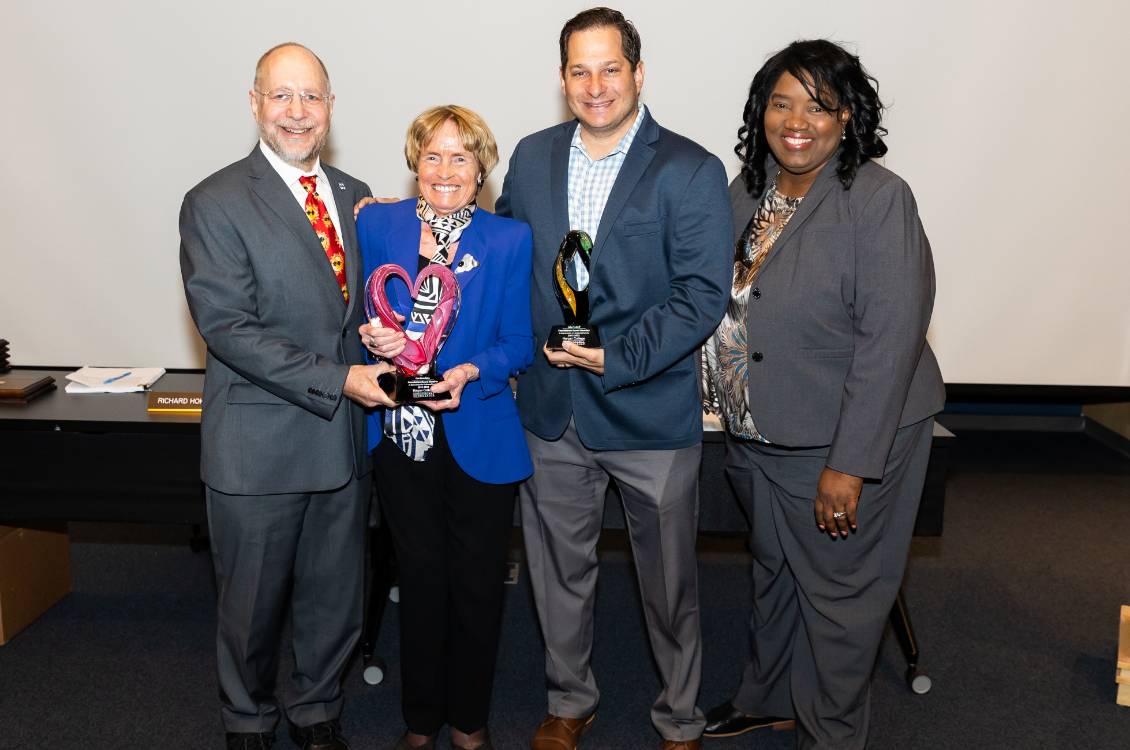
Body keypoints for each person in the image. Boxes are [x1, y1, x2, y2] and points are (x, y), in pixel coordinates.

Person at [494, 8, 732, 750]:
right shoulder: (532, 157)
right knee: (557, 574)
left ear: (637, 71)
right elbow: (500, 251)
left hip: (648, 413)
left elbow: (700, 295)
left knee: (669, 587)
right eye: (579, 70)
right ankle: (569, 701)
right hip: (553, 411)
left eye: (610, 68)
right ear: (561, 78)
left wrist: (615, 357)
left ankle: (680, 716)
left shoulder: (690, 169)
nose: (595, 85)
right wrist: (408, 222)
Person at [699, 40, 946, 749]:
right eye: (781, 102)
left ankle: (830, 735)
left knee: (840, 600)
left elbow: (892, 336)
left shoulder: (877, 198)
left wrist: (850, 463)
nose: (796, 119)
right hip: (759, 434)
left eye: (817, 104)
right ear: (761, 112)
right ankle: (769, 696)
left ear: (847, 116)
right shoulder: (748, 190)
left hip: (844, 436)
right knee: (775, 572)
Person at [179, 42, 396, 750]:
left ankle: (316, 711)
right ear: (254, 104)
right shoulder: (214, 202)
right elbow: (228, 328)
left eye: (312, 98)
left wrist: (396, 251)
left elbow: (357, 306)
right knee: (249, 607)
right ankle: (247, 720)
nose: (297, 113)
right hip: (259, 448)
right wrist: (340, 379)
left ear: (331, 109)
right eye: (282, 96)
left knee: (334, 599)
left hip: (338, 445)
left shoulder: (354, 194)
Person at [357, 105, 534, 750]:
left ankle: (468, 718)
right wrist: (371, 337)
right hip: (402, 437)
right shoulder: (378, 224)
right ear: (414, 163)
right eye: (433, 155)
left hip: (479, 431)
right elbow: (354, 307)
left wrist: (469, 371)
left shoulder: (507, 240)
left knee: (478, 584)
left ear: (481, 167)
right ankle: (419, 718)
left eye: (462, 157)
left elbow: (518, 342)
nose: (445, 169)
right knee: (420, 577)